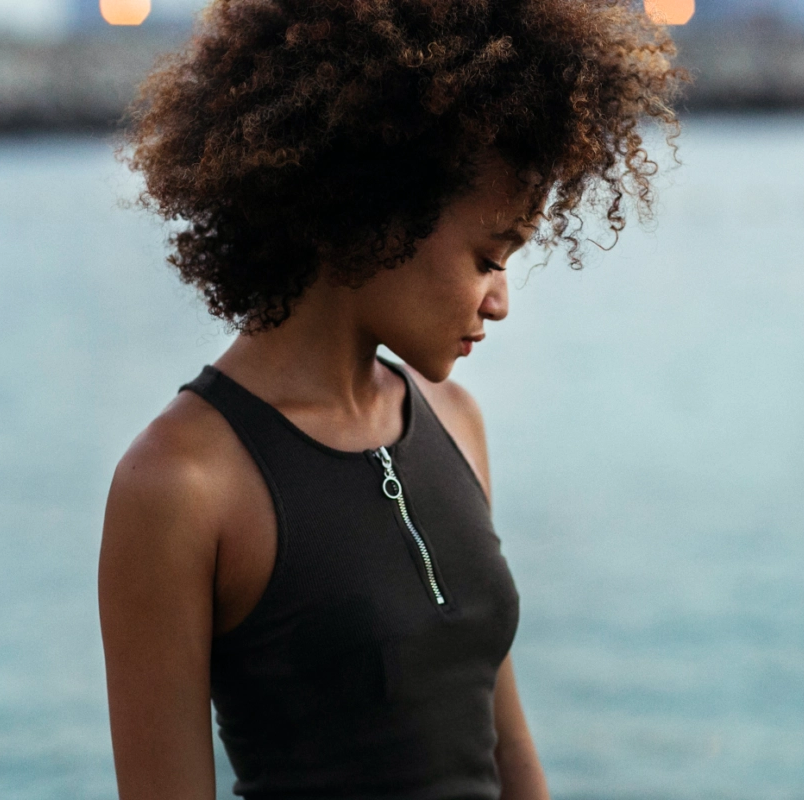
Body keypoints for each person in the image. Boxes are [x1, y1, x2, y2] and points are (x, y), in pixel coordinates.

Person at [97, 0, 686, 798]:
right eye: (488, 256)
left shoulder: (455, 421)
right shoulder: (181, 483)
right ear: (382, 206)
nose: (501, 299)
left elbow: (508, 754)